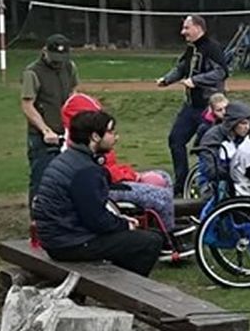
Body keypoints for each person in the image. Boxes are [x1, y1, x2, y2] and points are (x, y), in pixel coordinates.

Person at [32, 109, 162, 275]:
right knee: (150, 241)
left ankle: (116, 278)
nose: (116, 137)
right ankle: (122, 287)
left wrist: (120, 221)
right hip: (68, 244)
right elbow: (96, 220)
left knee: (136, 236)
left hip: (57, 238)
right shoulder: (86, 170)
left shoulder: (68, 159)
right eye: (110, 132)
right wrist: (124, 224)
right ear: (95, 137)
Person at [60, 92, 176, 236]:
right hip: (105, 188)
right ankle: (168, 236)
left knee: (163, 177)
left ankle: (160, 222)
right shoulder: (82, 145)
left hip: (110, 181)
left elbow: (109, 166)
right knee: (161, 196)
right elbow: (102, 175)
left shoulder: (90, 141)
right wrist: (134, 177)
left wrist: (132, 174)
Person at [158, 14, 229, 193]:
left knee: (206, 146)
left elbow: (221, 72)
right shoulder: (191, 48)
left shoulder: (212, 48)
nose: (183, 32)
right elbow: (182, 67)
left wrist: (196, 81)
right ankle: (181, 184)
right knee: (176, 139)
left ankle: (208, 184)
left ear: (198, 28)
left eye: (186, 28)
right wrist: (167, 79)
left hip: (209, 108)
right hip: (191, 106)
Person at [20, 34, 79, 204]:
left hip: (65, 132)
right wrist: (45, 130)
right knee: (41, 179)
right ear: (44, 51)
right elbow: (27, 105)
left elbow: (73, 94)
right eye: (54, 58)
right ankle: (37, 215)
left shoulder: (69, 67)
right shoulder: (32, 72)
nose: (58, 62)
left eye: (61, 58)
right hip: (42, 135)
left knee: (69, 178)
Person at [198, 100, 250, 190]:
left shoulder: (244, 137)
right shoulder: (212, 137)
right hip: (213, 183)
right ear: (233, 123)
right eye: (243, 123)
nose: (247, 127)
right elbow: (211, 170)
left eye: (249, 123)